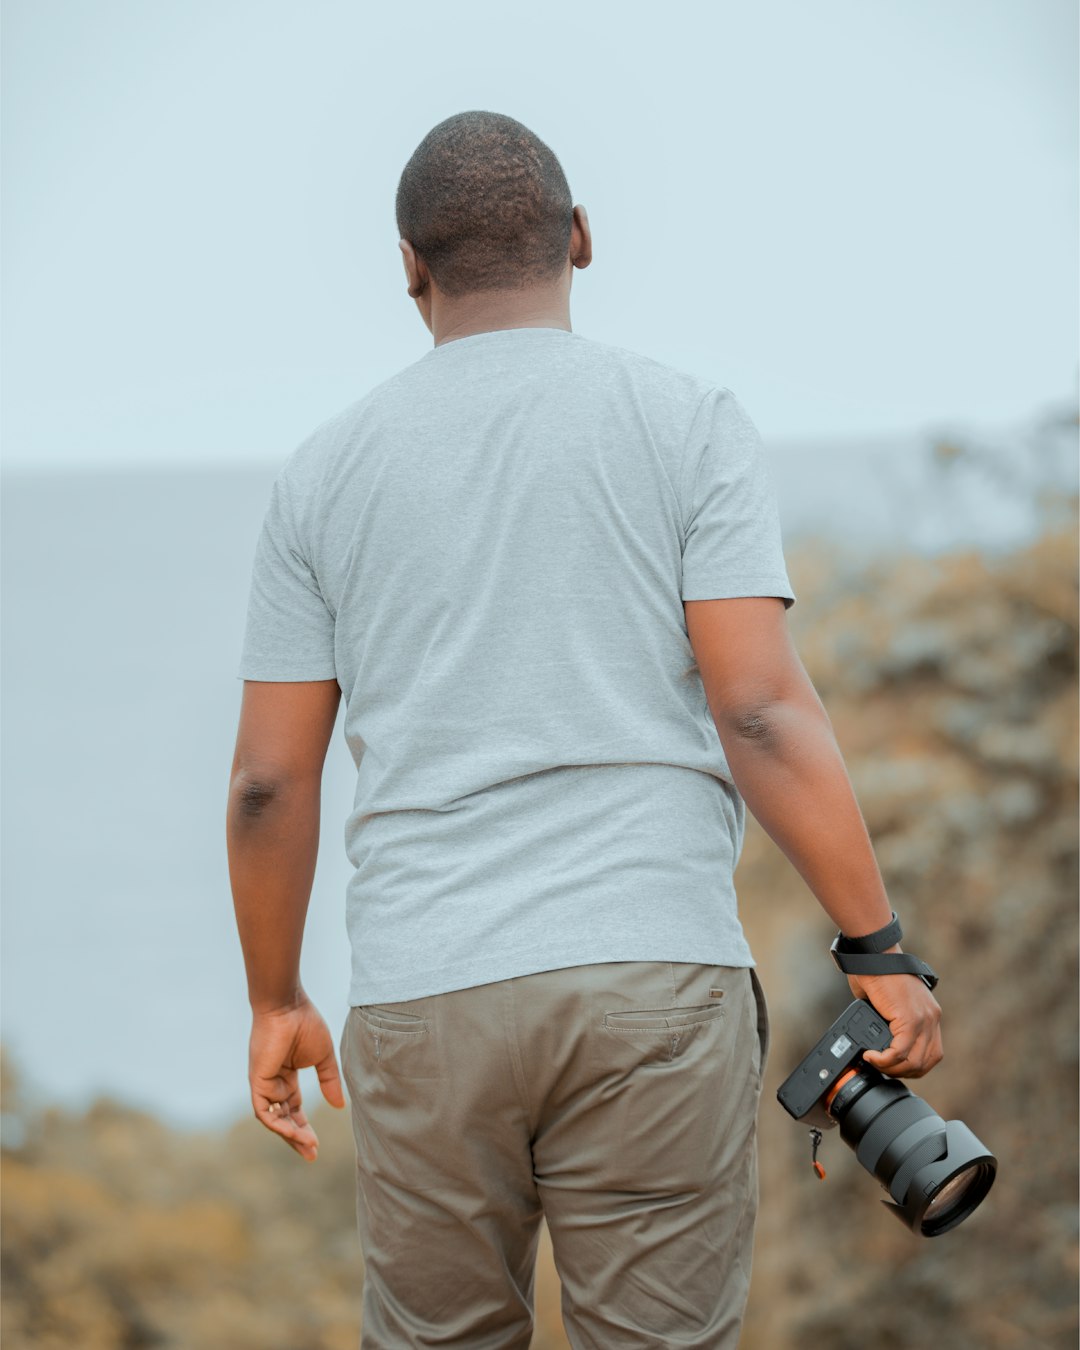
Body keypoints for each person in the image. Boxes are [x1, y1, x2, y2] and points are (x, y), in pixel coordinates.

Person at [226, 109, 943, 1348]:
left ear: (411, 265)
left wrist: (276, 995)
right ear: (582, 239)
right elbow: (760, 707)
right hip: (652, 978)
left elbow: (266, 789)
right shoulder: (685, 422)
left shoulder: (323, 475)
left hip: (423, 991)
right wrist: (875, 944)